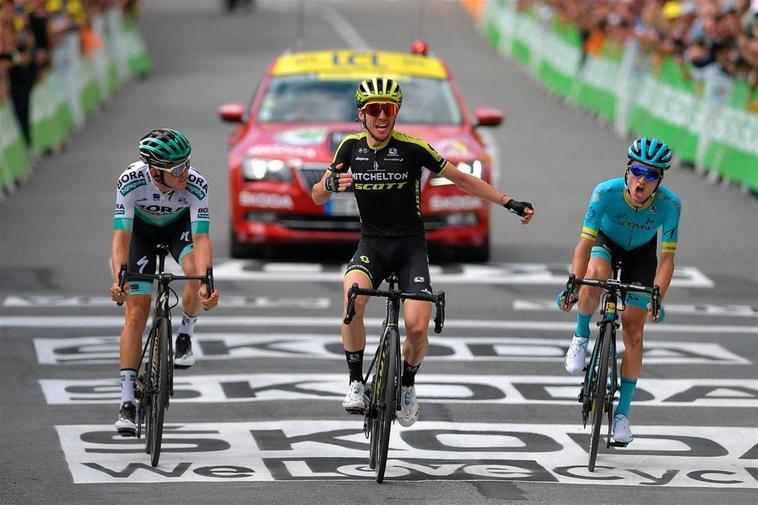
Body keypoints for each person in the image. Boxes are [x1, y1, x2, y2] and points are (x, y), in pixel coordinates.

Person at [311, 77, 535, 427]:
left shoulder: (414, 148)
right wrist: (327, 185)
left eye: (389, 108)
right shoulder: (349, 148)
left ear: (397, 112)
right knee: (351, 299)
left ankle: (408, 387)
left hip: (410, 247)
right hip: (372, 245)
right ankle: (355, 382)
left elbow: (461, 179)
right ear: (361, 114)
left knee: (416, 328)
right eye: (374, 109)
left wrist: (508, 202)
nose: (382, 116)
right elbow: (317, 195)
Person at [558, 136, 681, 445]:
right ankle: (581, 334)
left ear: (659, 181)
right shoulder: (605, 193)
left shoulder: (670, 205)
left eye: (651, 175)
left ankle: (623, 415)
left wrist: (658, 296)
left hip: (641, 254)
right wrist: (574, 282)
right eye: (638, 170)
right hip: (606, 243)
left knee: (635, 330)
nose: (642, 180)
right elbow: (584, 245)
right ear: (627, 171)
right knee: (595, 274)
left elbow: (667, 260)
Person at [110, 128, 220, 435]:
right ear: (156, 171)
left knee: (194, 270)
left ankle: (185, 334)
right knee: (136, 311)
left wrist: (206, 283)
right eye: (176, 169)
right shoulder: (131, 181)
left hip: (178, 229)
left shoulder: (196, 184)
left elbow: (201, 238)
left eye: (187, 163)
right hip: (141, 235)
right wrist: (118, 279)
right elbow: (121, 236)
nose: (185, 171)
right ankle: (128, 399)